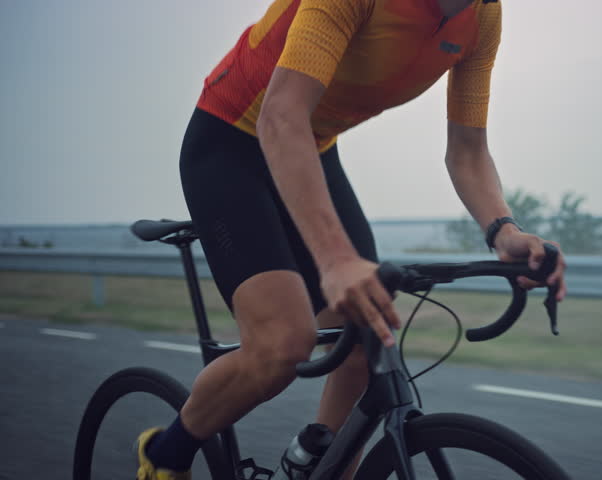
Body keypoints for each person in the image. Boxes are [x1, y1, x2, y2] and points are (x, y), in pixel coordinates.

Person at [135, 0, 567, 478]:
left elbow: (467, 149)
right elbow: (281, 116)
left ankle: (316, 461)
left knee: (369, 331)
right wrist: (337, 260)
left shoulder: (482, 17)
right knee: (283, 344)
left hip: (312, 145)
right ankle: (164, 454)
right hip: (231, 142)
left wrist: (502, 229)